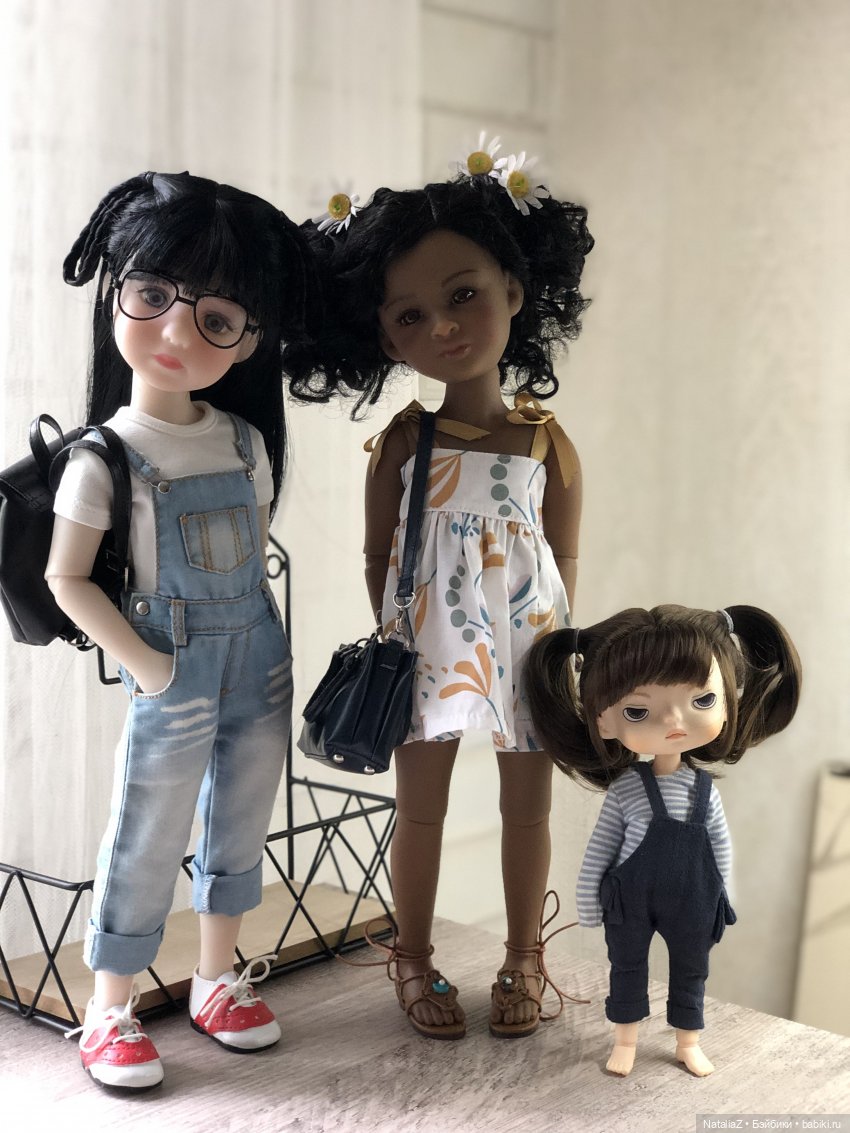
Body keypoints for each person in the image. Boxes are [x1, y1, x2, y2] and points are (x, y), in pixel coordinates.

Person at [292, 137, 594, 1039]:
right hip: (425, 647)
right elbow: (377, 553)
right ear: (386, 337)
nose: (443, 329)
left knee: (526, 807)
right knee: (419, 809)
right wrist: (402, 634)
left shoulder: (546, 443)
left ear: (515, 290)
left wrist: (556, 652)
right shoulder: (402, 441)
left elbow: (564, 558)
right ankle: (413, 953)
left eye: (463, 295)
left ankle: (524, 957)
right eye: (410, 317)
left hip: (530, 644)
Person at [45, 171, 320, 1090]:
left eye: (215, 318)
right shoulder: (104, 457)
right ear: (115, 290)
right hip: (172, 663)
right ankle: (108, 1007)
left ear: (251, 339)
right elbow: (66, 579)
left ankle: (214, 977)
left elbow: (257, 555)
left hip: (259, 659)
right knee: (148, 827)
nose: (176, 331)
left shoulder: (245, 441)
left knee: (243, 814)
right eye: (154, 294)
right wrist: (149, 667)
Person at [525, 604, 801, 1076]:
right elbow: (601, 849)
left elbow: (721, 847)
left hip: (694, 900)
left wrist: (724, 897)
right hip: (630, 899)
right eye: (639, 711)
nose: (674, 721)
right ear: (604, 722)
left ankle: (688, 1040)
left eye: (702, 701)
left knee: (692, 968)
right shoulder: (627, 791)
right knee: (626, 965)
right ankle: (625, 1040)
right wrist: (588, 901)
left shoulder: (704, 791)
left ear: (728, 702)